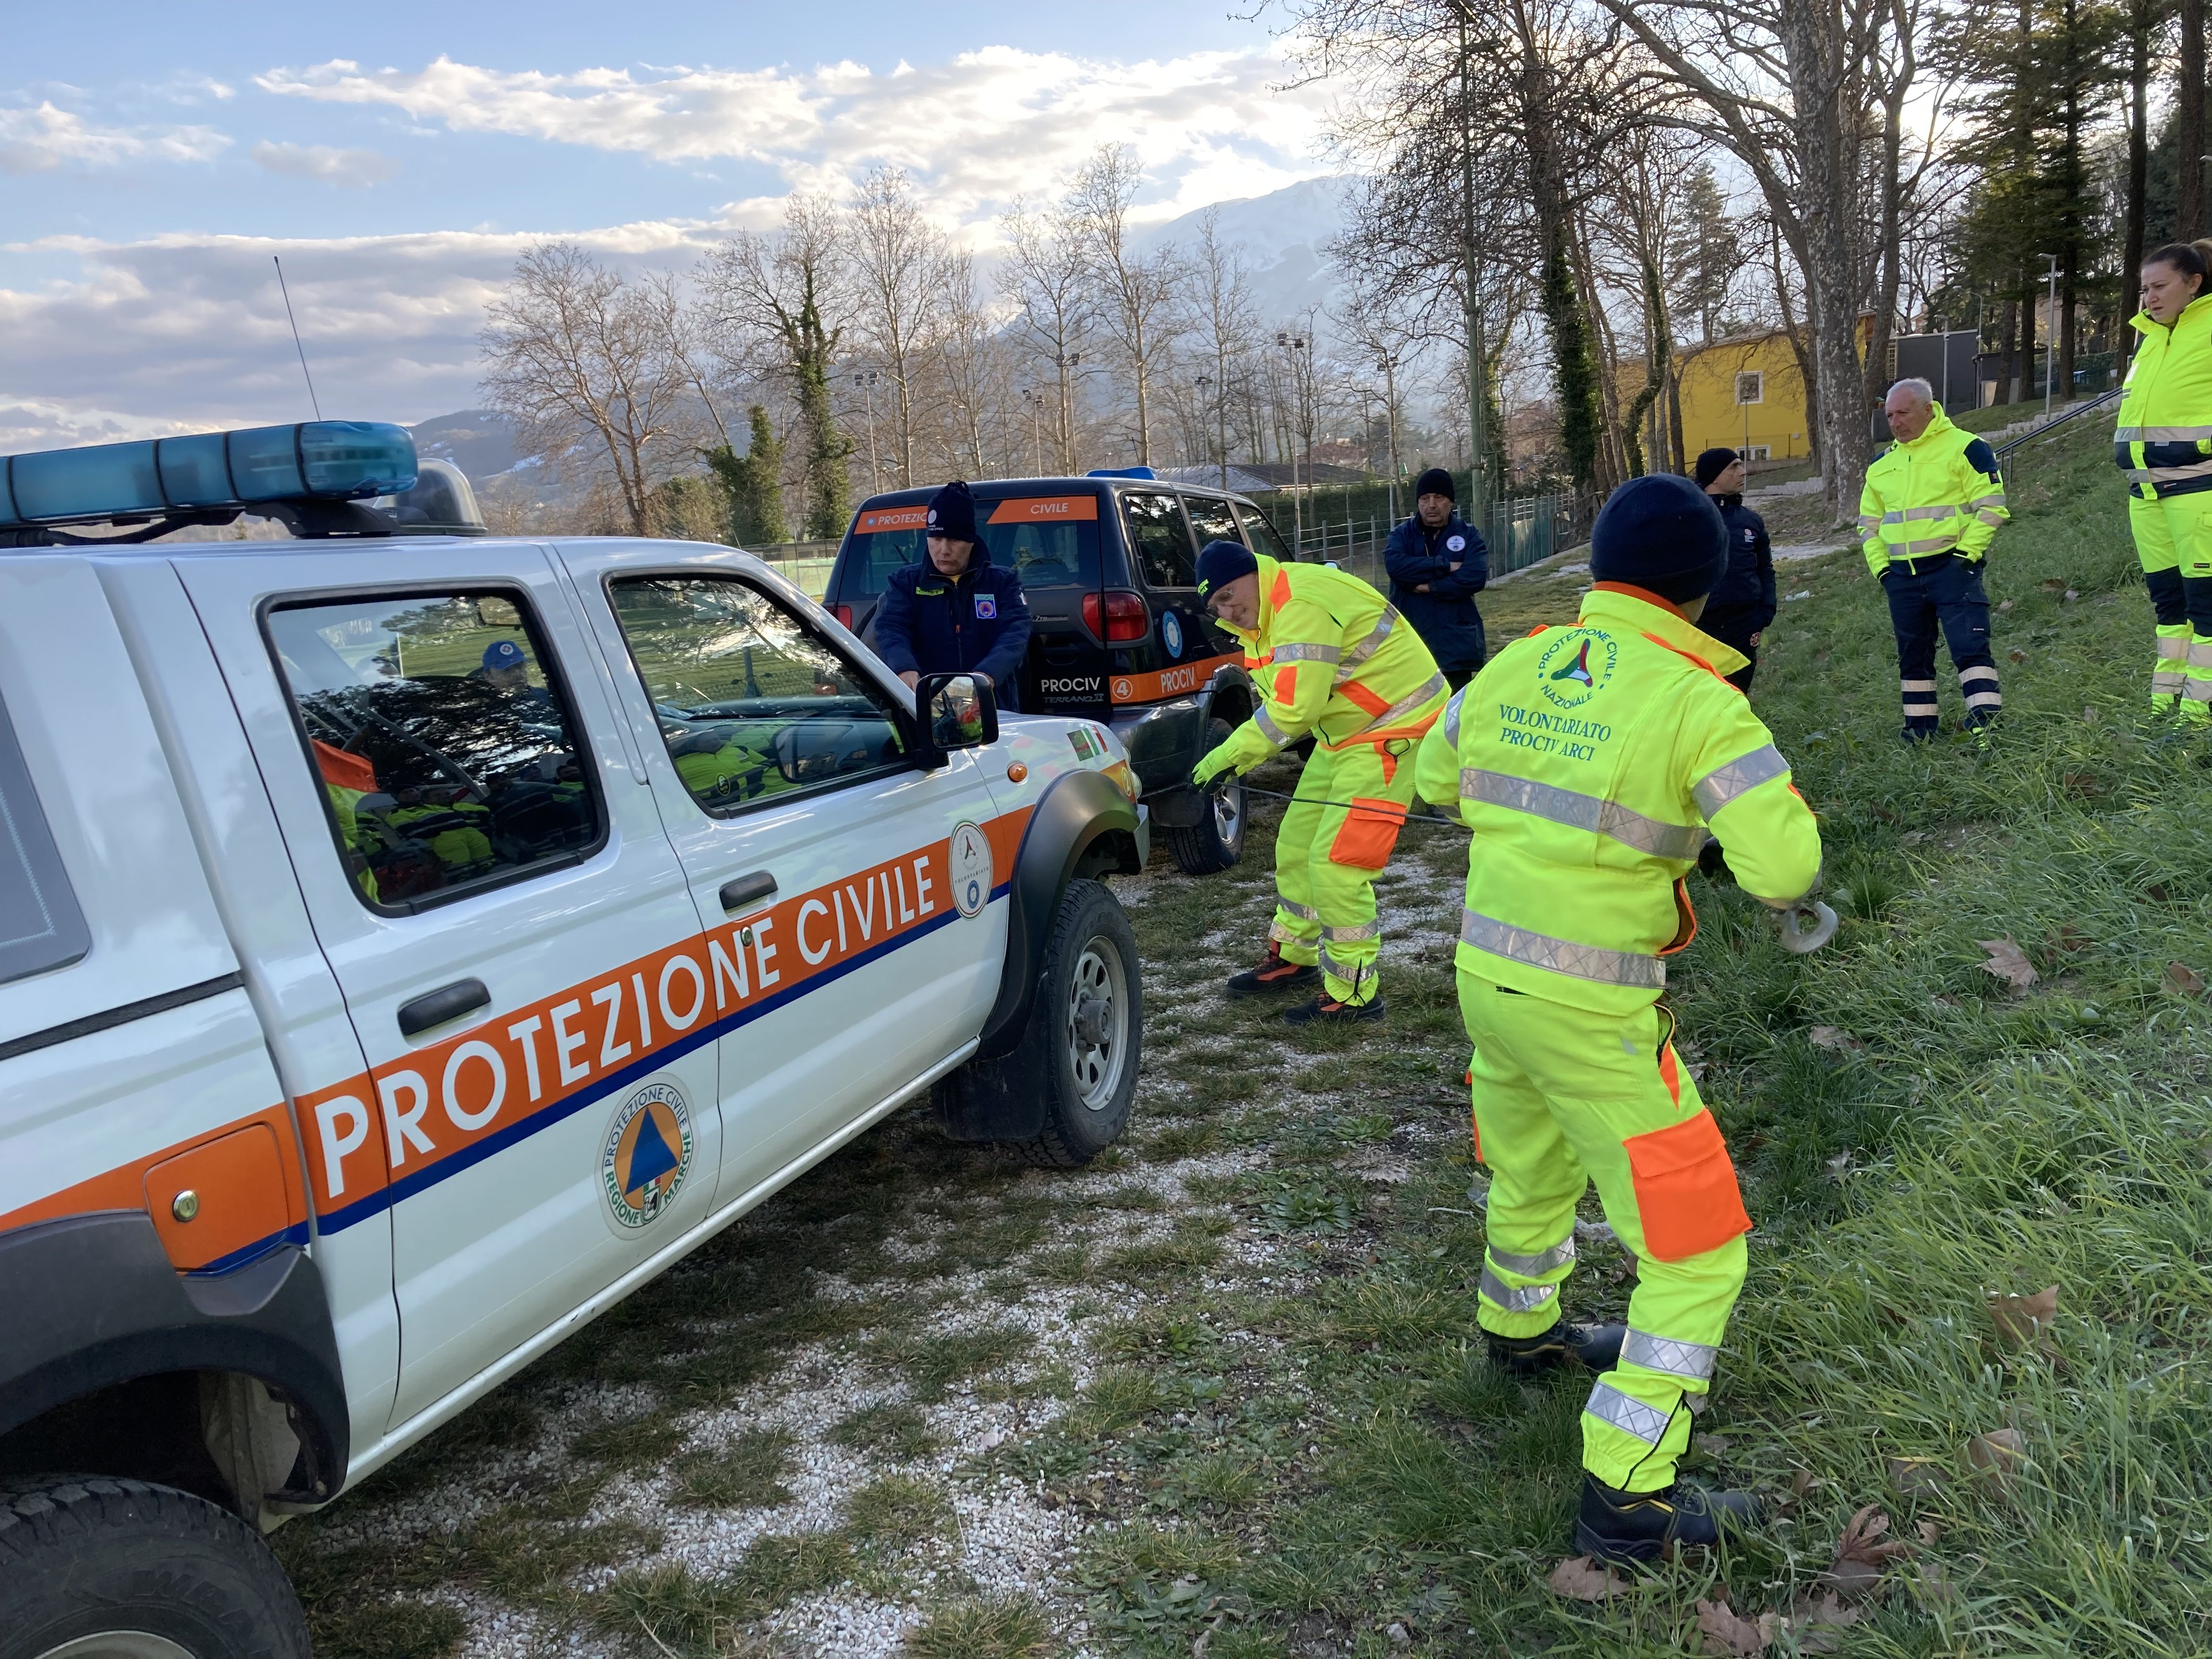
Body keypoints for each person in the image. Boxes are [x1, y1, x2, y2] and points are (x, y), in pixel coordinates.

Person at [1414, 472, 1822, 1565]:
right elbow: (1786, 867)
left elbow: (1435, 775)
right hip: (1591, 1008)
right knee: (1698, 1252)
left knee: (1531, 1167)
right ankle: (1628, 1498)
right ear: (1702, 589)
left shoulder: (1519, 660)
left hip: (1488, 980)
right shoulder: (1700, 701)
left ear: (1597, 564)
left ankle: (1520, 1333)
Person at [1189, 538, 1447, 1024]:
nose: (1226, 611)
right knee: (1295, 845)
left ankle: (1355, 994)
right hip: (1344, 733)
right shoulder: (1266, 614)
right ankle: (1295, 956)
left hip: (1394, 729)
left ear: (1252, 574)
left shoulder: (1300, 605)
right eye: (1215, 606)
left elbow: (1294, 710)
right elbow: (1290, 702)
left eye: (1228, 595)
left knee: (1337, 864)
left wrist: (1228, 757)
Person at [1858, 378, 2009, 743]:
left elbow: (1992, 508)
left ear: (1928, 410)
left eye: (1903, 413)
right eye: (1889, 415)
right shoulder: (1880, 465)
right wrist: (1883, 571)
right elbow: (1867, 526)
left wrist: (1965, 557)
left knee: (1970, 650)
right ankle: (1919, 733)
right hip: (1902, 577)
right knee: (1913, 659)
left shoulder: (1967, 447)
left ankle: (1987, 728)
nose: (1895, 422)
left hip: (1952, 571)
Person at [2113, 239, 2212, 731]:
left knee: (2207, 607)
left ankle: (2197, 718)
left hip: (2198, 491)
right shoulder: (2150, 340)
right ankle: (2164, 707)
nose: (2150, 298)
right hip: (2146, 495)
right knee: (2170, 606)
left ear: (2193, 283)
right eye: (2145, 290)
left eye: (2160, 286)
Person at [873, 479, 1033, 712]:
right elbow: (890, 628)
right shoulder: (905, 583)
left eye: (954, 540)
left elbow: (1015, 633)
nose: (944, 550)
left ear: (970, 541)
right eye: (937, 539)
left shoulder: (1002, 582)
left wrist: (986, 676)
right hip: (927, 708)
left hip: (992, 706)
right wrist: (904, 667)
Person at [1383, 467, 1489, 688]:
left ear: (1451, 502)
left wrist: (1430, 586)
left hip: (1455, 645)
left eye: (1439, 497)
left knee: (1454, 707)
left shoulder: (1469, 535)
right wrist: (1445, 565)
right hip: (1411, 642)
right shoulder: (1401, 535)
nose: (1431, 504)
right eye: (1425, 498)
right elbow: (1397, 567)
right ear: (1418, 502)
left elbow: (1475, 576)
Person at [1692, 448, 1776, 692]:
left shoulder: (1751, 521)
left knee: (1738, 693)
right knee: (1705, 694)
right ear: (1714, 476)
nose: (1743, 472)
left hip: (1746, 625)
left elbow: (1765, 568)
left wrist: (1766, 610)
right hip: (1701, 628)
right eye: (1734, 467)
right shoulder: (1689, 519)